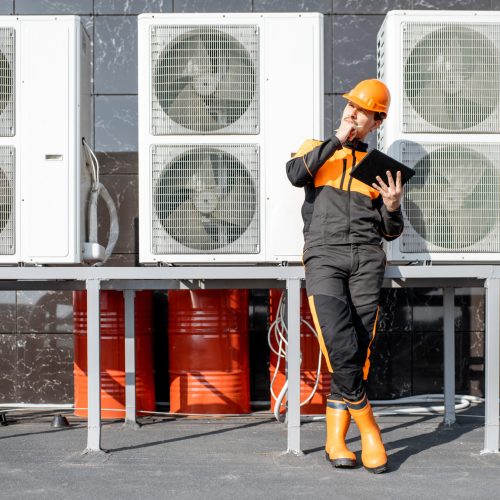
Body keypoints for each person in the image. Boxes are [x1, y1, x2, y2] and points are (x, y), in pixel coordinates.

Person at [286, 79, 404, 474]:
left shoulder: (379, 169)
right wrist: (336, 141)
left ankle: (335, 440)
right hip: (324, 257)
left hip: (368, 260)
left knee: (359, 349)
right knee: (340, 343)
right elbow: (294, 175)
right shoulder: (314, 151)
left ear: (376, 122)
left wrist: (391, 206)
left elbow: (390, 231)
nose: (352, 112)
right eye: (350, 105)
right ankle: (370, 429)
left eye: (362, 110)